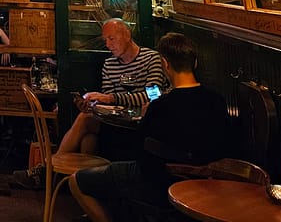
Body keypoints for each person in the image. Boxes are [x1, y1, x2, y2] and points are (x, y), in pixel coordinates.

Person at [70, 33, 231, 222]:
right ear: (194, 63)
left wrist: (146, 115)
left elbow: (141, 154)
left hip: (157, 184)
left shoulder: (160, 106)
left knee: (76, 181)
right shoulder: (217, 101)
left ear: (165, 64)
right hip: (205, 185)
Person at [13, 18, 166, 189]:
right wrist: (92, 105)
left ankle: (47, 172)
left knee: (85, 122)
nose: (108, 45)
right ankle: (83, 188)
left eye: (112, 38)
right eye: (105, 40)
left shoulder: (151, 58)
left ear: (127, 35)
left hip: (141, 126)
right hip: (116, 124)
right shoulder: (109, 64)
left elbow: (153, 96)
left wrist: (111, 98)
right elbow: (108, 102)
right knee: (88, 137)